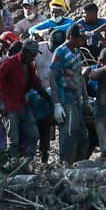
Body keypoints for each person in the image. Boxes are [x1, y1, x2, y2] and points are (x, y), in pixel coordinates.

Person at [0, 40, 53, 158]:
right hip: (9, 105)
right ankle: (12, 164)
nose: (33, 58)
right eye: (32, 55)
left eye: (35, 55)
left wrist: (52, 102)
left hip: (22, 104)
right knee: (13, 140)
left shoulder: (29, 67)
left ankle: (28, 162)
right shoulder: (9, 63)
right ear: (24, 52)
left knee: (33, 135)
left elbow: (38, 87)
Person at [49, 25, 91, 165]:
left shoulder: (77, 52)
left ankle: (78, 166)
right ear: (71, 37)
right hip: (65, 97)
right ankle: (65, 167)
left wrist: (85, 99)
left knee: (81, 135)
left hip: (76, 98)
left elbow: (79, 76)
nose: (83, 41)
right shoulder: (60, 52)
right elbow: (53, 77)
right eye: (80, 38)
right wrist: (57, 104)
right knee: (69, 133)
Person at [32, 29, 66, 163]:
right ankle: (39, 160)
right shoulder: (39, 49)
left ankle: (54, 160)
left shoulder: (64, 51)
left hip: (58, 94)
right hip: (39, 95)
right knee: (40, 128)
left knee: (56, 129)